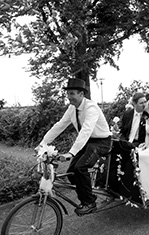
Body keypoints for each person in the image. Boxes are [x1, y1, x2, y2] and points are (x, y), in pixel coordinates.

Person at [38, 78, 112, 215]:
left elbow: (86, 130)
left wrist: (71, 153)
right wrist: (42, 144)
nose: (69, 97)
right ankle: (89, 194)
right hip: (88, 142)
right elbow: (60, 126)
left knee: (80, 167)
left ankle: (89, 203)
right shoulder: (72, 109)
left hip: (101, 141)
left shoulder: (91, 108)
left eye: (72, 93)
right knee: (72, 173)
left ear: (81, 94)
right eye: (68, 94)